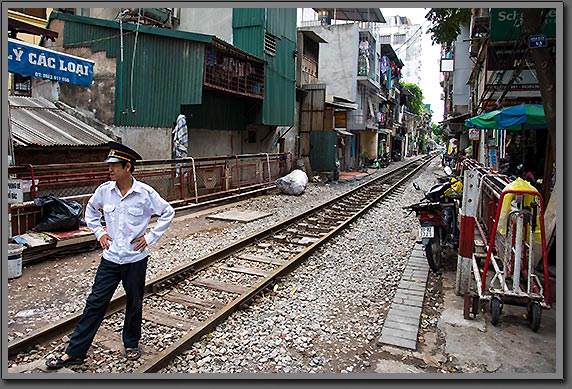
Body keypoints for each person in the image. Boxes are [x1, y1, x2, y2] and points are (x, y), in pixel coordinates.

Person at [45, 141, 175, 369]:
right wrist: (99, 233)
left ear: (128, 167)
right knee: (95, 303)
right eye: (109, 166)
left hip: (135, 259)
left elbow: (168, 212)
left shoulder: (145, 193)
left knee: (134, 302)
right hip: (111, 259)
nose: (110, 169)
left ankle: (131, 343)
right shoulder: (104, 191)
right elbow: (91, 211)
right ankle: (75, 352)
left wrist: (150, 237)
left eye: (115, 165)